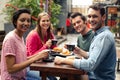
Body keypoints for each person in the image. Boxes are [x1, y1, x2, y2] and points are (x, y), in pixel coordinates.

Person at [54, 4, 116, 80]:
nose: (91, 19)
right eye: (89, 16)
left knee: (66, 75)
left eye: (95, 16)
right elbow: (95, 56)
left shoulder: (104, 36)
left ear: (103, 17)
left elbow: (90, 65)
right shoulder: (98, 34)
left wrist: (63, 60)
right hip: (93, 75)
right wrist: (79, 51)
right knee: (65, 75)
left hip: (98, 78)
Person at [0, 8, 49, 80]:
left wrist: (39, 55)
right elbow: (11, 69)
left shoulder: (20, 37)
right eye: (22, 20)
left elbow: (22, 60)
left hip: (22, 76)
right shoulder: (10, 39)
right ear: (15, 21)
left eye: (28, 21)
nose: (26, 23)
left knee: (48, 77)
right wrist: (35, 58)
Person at [26, 12, 57, 80]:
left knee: (54, 79)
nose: (46, 23)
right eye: (43, 21)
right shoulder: (33, 35)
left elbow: (54, 49)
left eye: (47, 21)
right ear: (38, 22)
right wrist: (45, 46)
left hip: (43, 64)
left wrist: (59, 49)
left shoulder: (49, 33)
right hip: (30, 65)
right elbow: (32, 56)